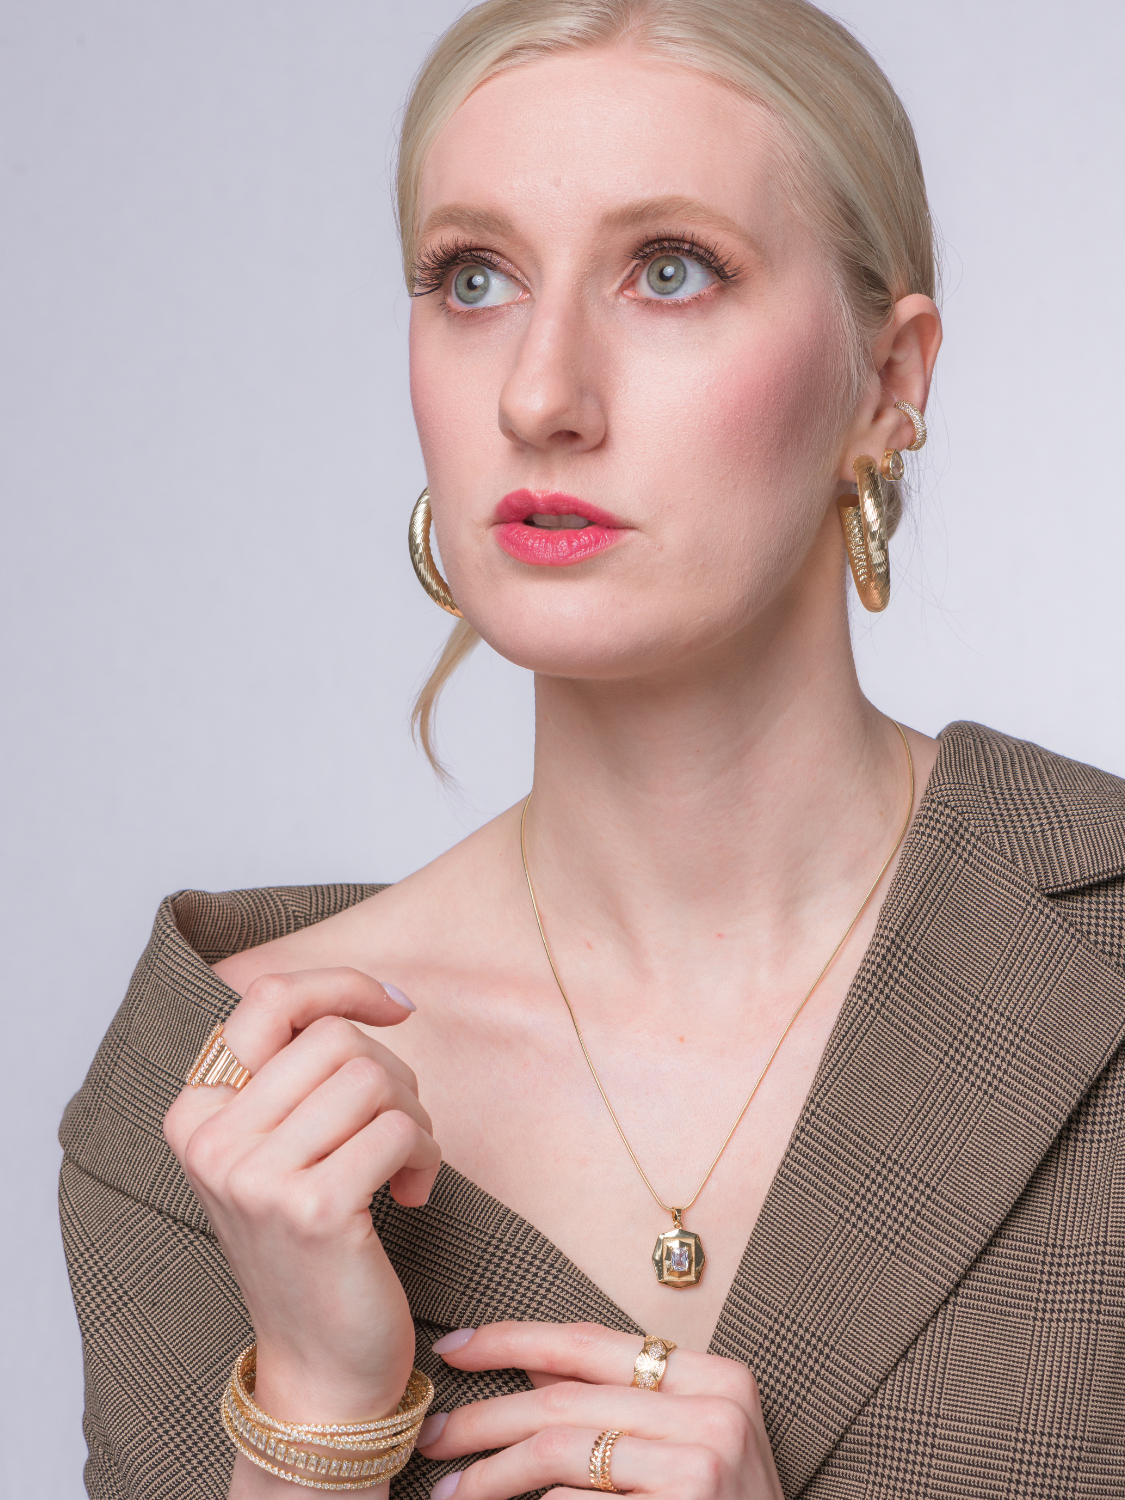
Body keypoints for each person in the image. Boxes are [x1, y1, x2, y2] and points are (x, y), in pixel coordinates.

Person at [59, 1, 1125, 1497]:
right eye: (474, 277)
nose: (539, 396)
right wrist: (312, 1417)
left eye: (670, 272)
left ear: (889, 385)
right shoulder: (233, 1094)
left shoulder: (1099, 945)